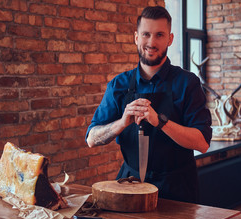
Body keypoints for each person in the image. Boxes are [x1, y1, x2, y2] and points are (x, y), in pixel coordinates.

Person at [85, 6, 212, 203]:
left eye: (159, 35)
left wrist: (160, 121)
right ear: (136, 37)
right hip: (129, 187)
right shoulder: (118, 85)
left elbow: (202, 143)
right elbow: (91, 139)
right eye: (146, 34)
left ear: (170, 39)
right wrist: (121, 123)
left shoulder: (188, 83)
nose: (151, 42)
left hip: (177, 190)